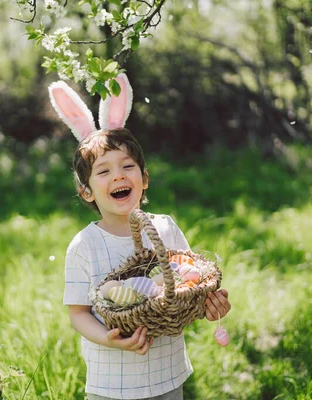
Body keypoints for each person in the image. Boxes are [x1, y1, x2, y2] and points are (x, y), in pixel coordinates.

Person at [49, 74, 231, 400]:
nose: (118, 175)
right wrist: (108, 337)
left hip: (167, 377)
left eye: (127, 166)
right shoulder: (84, 246)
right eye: (103, 171)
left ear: (144, 178)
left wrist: (209, 305)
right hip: (112, 385)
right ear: (87, 191)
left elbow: (189, 284)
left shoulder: (165, 229)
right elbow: (78, 314)